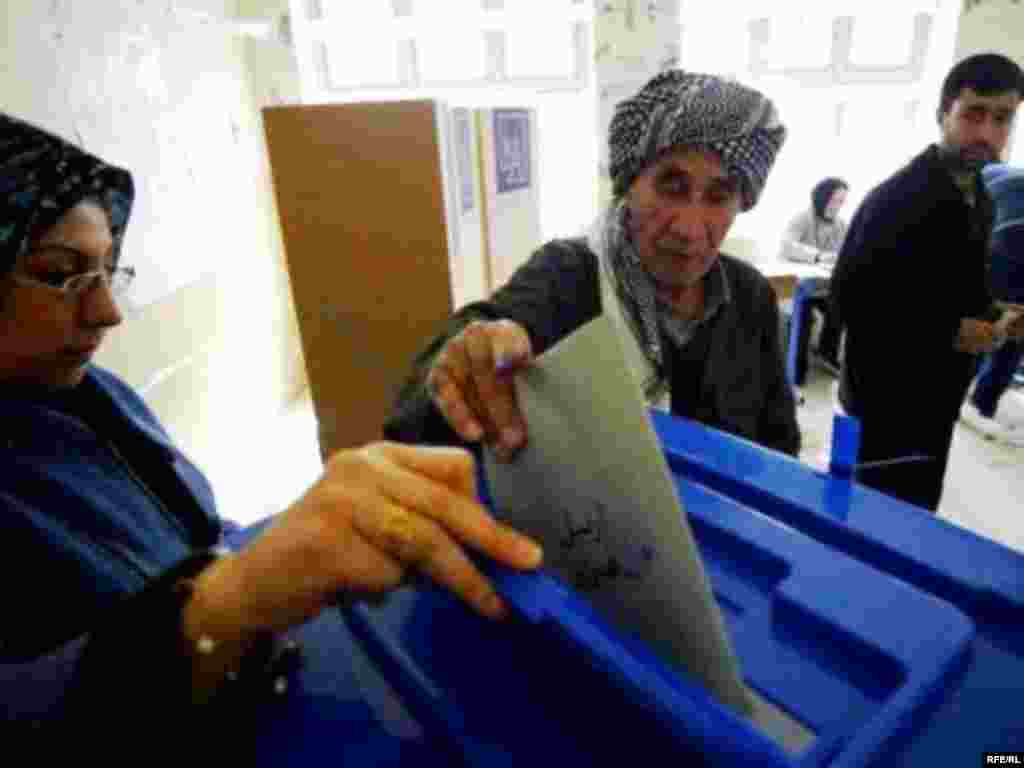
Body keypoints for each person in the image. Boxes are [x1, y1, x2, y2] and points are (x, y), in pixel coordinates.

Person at [0, 114, 543, 739]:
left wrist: (300, 542)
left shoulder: (86, 396)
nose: (107, 312)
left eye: (106, 269)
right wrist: (226, 604)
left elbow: (192, 532)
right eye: (56, 273)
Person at [385, 70, 800, 460]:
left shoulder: (750, 297)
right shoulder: (570, 276)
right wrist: (468, 358)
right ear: (628, 185)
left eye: (717, 196)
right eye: (671, 188)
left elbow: (779, 446)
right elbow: (479, 344)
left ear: (741, 203)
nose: (690, 229)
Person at [830, 53, 1024, 512]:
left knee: (917, 512)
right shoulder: (896, 199)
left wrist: (999, 315)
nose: (986, 133)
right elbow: (848, 301)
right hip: (884, 405)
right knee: (872, 525)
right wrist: (949, 330)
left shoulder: (979, 197)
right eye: (973, 114)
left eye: (1002, 119)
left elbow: (959, 288)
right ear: (943, 115)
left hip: (937, 397)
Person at [960, 162, 1024, 444]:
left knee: (991, 317)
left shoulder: (991, 174)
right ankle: (980, 403)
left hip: (994, 241)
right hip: (1006, 241)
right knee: (1014, 330)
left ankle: (962, 392)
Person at [780, 177, 850, 386]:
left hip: (821, 286)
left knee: (840, 306)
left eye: (841, 202)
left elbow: (844, 252)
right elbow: (787, 245)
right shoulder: (802, 218)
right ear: (822, 197)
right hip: (796, 286)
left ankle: (826, 355)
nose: (837, 207)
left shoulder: (840, 225)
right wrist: (818, 256)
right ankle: (797, 370)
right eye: (835, 201)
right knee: (803, 312)